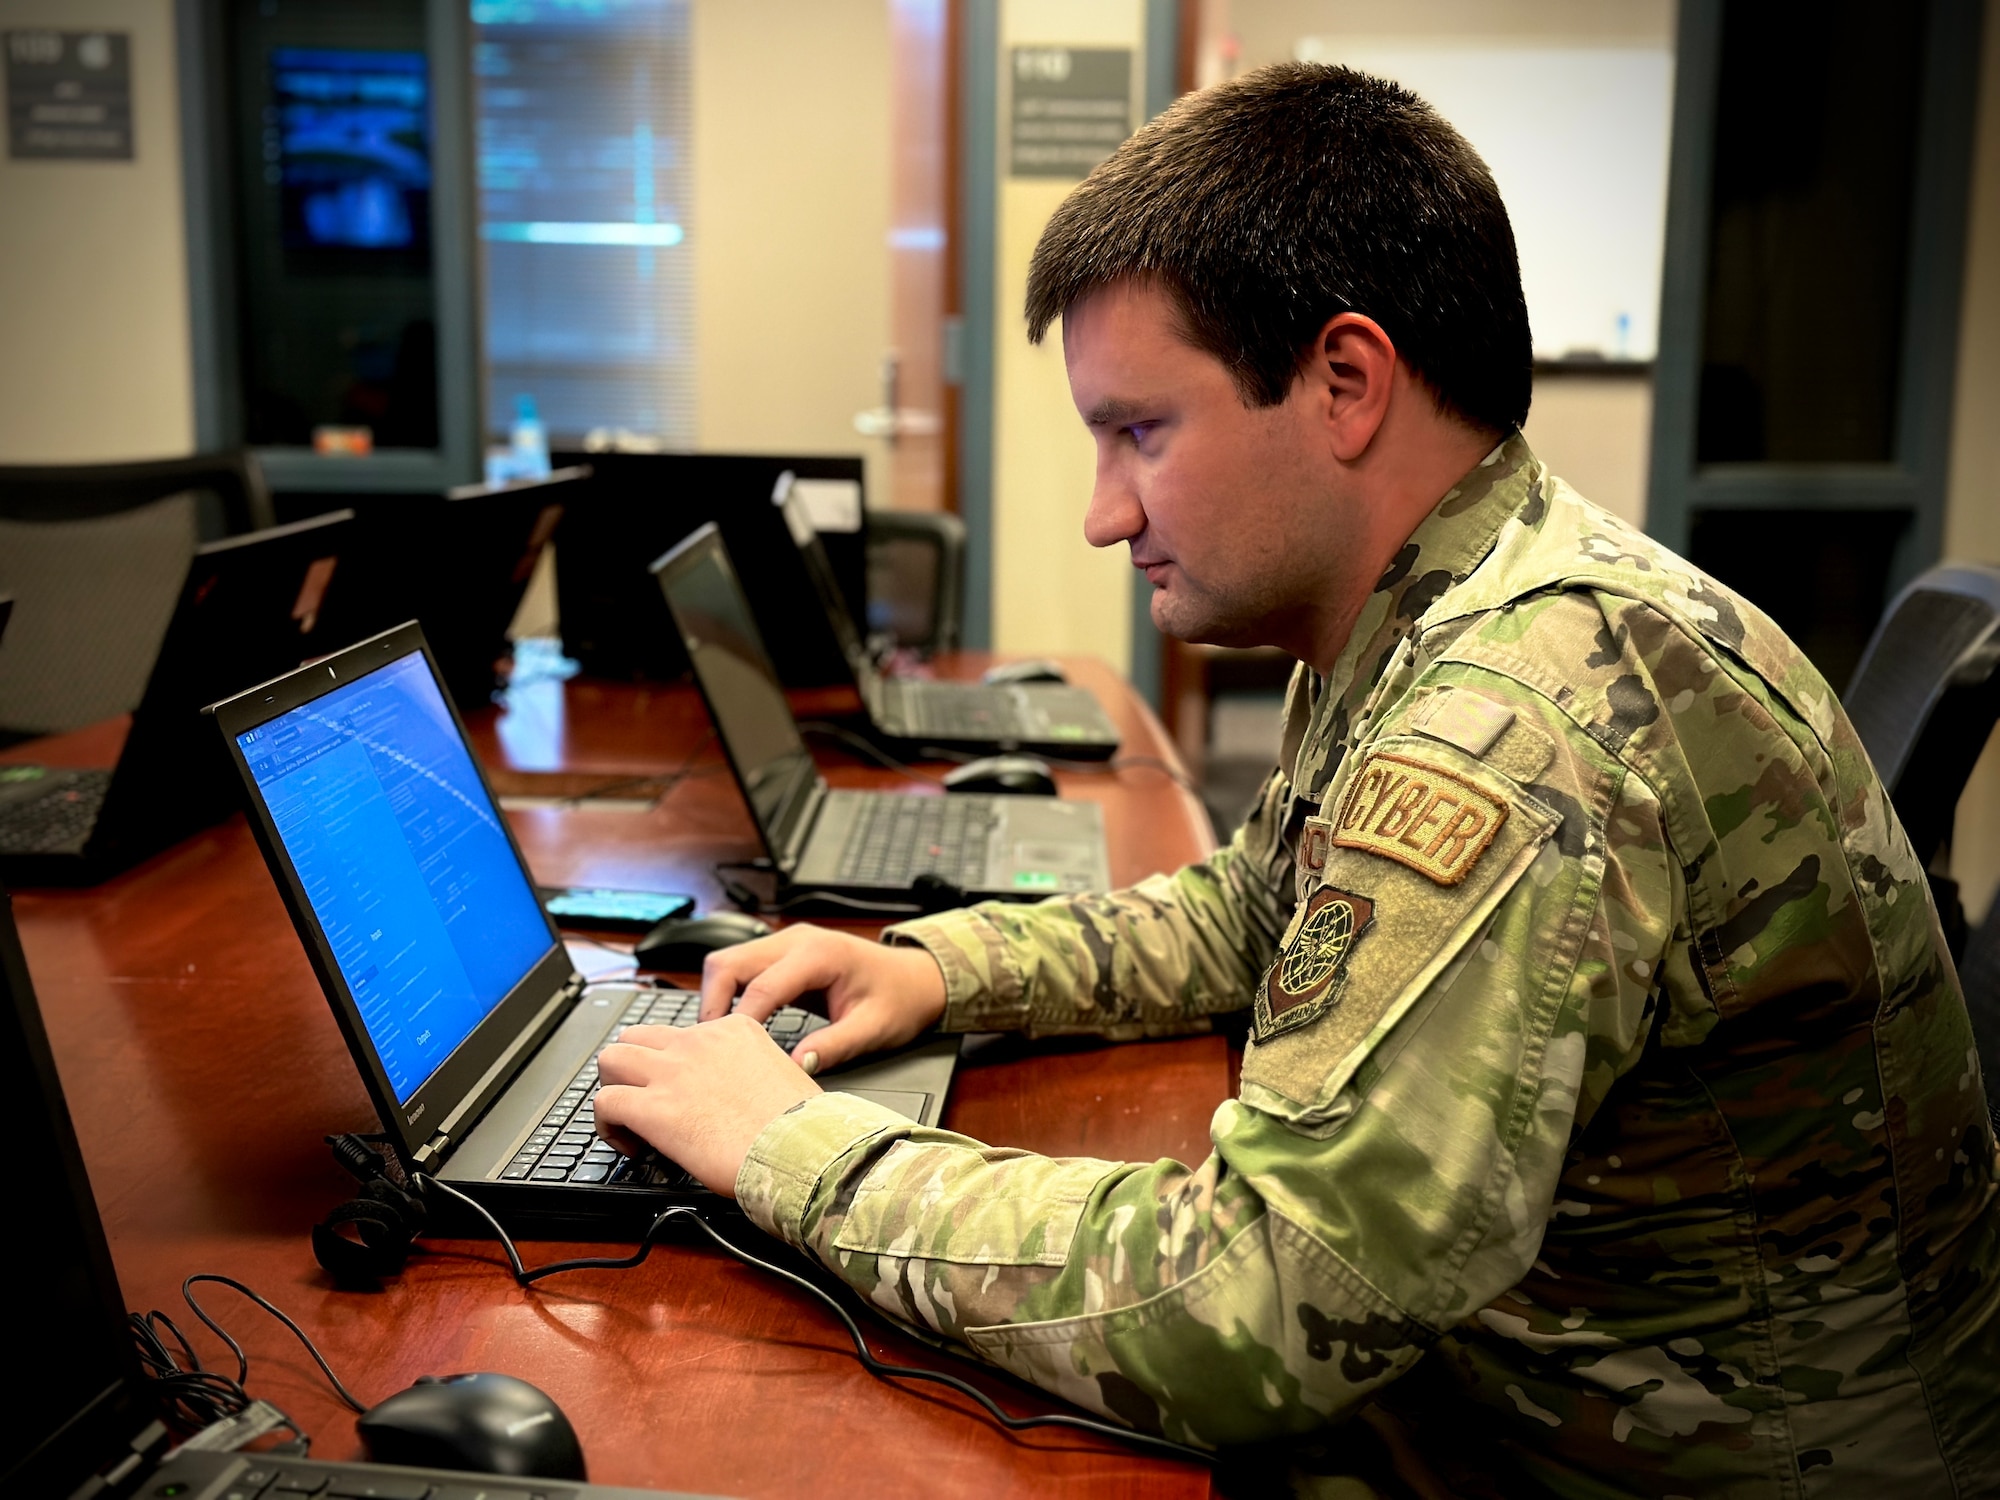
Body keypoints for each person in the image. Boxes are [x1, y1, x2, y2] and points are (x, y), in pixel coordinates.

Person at [591, 64, 2000, 1496]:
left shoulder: (1510, 725)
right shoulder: (1442, 608)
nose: (1103, 513)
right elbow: (1254, 912)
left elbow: (1260, 1306)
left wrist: (799, 1151)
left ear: (1344, 383)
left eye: (1141, 431)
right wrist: (941, 968)